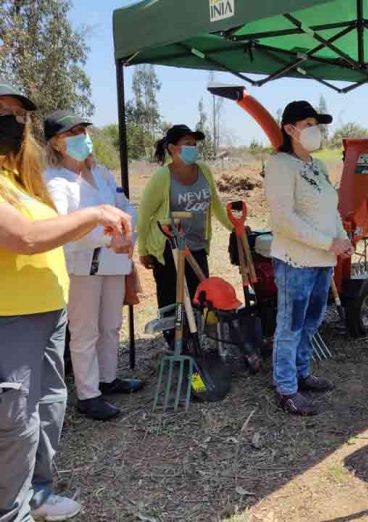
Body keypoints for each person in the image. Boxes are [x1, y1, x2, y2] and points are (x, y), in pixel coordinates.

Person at [0, 82, 131, 522]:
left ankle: (37, 494)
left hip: (47, 306)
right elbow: (30, 237)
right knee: (14, 422)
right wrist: (96, 219)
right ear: (56, 141)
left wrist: (112, 227)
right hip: (12, 314)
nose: (12, 122)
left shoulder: (21, 178)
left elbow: (112, 206)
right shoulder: (44, 181)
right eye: (3, 111)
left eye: (19, 115)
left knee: (46, 407)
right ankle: (11, 510)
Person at [43, 110, 142, 422]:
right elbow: (66, 226)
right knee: (84, 331)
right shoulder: (55, 181)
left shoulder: (100, 172)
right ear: (57, 144)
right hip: (82, 266)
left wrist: (126, 232)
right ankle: (88, 394)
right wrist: (107, 236)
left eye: (83, 130)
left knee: (111, 325)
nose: (82, 137)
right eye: (73, 133)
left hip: (114, 261)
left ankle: (107, 378)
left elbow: (124, 206)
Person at [265, 101, 353, 416]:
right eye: (308, 123)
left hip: (322, 259)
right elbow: (284, 220)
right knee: (290, 324)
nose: (315, 129)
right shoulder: (279, 165)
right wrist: (328, 242)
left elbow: (330, 209)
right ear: (289, 129)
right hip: (296, 260)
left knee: (312, 320)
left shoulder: (318, 165)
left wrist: (342, 238)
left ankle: (302, 372)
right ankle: (286, 387)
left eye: (317, 123)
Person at [137, 125, 234, 345]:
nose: (193, 148)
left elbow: (216, 205)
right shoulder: (163, 177)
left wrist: (234, 228)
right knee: (172, 298)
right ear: (172, 148)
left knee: (201, 295)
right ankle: (175, 342)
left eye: (194, 144)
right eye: (187, 144)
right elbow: (144, 215)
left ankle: (197, 340)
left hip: (197, 245)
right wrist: (143, 250)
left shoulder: (204, 171)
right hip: (169, 247)